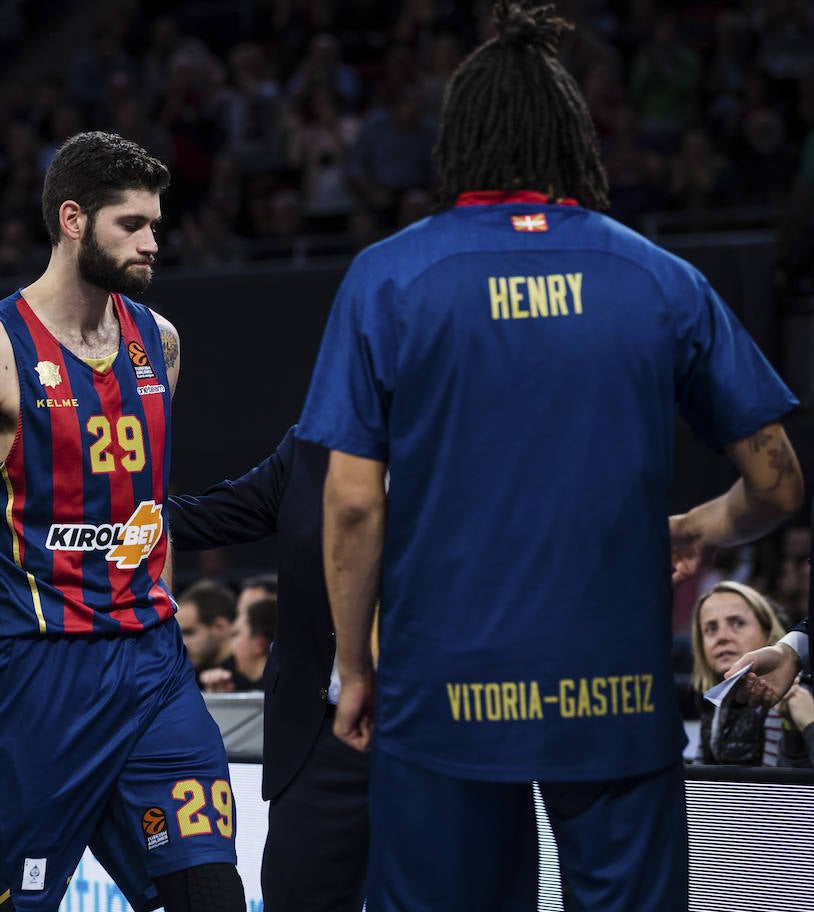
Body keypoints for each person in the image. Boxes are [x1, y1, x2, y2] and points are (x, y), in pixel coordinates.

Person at [296, 3, 805, 910]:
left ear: (464, 142)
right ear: (573, 139)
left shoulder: (390, 276)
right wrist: (703, 525)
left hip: (443, 697)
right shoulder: (659, 276)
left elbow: (351, 503)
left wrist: (356, 665)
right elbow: (777, 479)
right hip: (614, 699)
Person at [0, 131, 245, 911]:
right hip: (32, 672)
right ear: (73, 220)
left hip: (152, 665)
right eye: (133, 225)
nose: (153, 242)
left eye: (156, 224)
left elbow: (148, 506)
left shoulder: (162, 344)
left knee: (208, 893)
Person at [170, 426, 371, 911]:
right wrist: (95, 495)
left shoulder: (470, 447)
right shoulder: (312, 448)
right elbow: (207, 516)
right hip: (319, 738)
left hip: (433, 732)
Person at [690, 581, 813, 766]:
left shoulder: (801, 693)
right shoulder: (710, 703)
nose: (722, 637)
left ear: (768, 631)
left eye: (738, 623)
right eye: (711, 629)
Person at [175, 579, 239, 682]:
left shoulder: (249, 677)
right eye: (179, 634)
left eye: (189, 632)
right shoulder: (186, 677)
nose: (181, 643)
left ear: (220, 627)